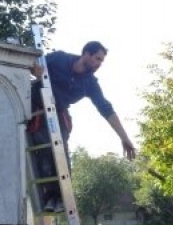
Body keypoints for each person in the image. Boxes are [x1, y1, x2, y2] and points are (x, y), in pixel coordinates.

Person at [28, 41, 136, 211]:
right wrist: (35, 70)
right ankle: (49, 197)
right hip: (33, 109)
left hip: (57, 114)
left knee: (59, 151)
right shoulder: (59, 58)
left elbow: (105, 108)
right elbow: (30, 62)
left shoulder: (90, 83)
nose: (99, 64)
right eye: (97, 59)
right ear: (86, 53)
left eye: (101, 61)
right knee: (42, 154)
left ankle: (59, 198)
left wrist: (124, 138)